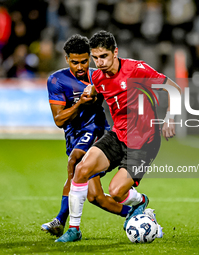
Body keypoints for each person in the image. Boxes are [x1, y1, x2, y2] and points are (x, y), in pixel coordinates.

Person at [56, 30, 181, 242]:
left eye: (103, 56)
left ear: (115, 52)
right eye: (95, 58)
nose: (99, 62)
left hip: (144, 140)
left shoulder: (137, 69)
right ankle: (74, 229)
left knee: (115, 192)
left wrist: (170, 117)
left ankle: (140, 201)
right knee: (81, 169)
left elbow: (174, 88)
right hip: (118, 134)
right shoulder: (97, 75)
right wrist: (90, 93)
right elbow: (97, 88)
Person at [42, 34, 135, 237]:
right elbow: (59, 120)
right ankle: (135, 213)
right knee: (95, 196)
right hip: (74, 134)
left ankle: (61, 221)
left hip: (97, 130)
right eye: (75, 62)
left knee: (75, 160)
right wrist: (80, 104)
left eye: (85, 61)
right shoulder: (57, 80)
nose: (80, 66)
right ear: (66, 59)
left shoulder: (98, 75)